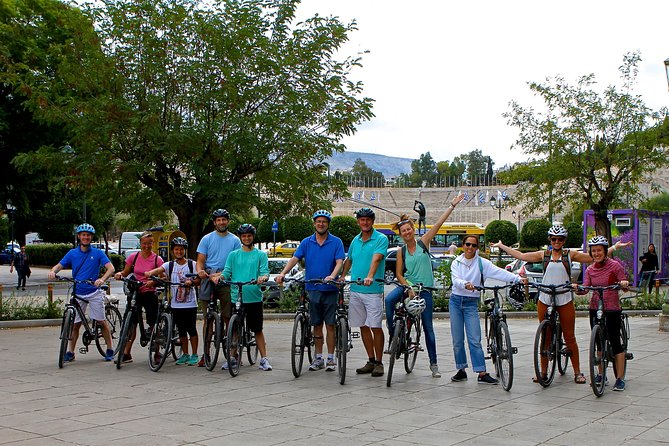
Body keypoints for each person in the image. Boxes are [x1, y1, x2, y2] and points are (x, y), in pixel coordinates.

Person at [491, 225, 630, 384]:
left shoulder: (569, 254)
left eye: (560, 239)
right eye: (554, 239)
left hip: (564, 298)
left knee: (570, 336)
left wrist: (613, 247)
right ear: (549, 240)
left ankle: (578, 372)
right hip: (545, 297)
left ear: (564, 240)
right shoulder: (543, 255)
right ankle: (543, 372)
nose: (557, 242)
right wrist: (501, 246)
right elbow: (521, 255)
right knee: (545, 337)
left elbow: (593, 256)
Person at [385, 193, 465, 378]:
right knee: (389, 301)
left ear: (413, 229)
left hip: (425, 290)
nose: (406, 232)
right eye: (403, 231)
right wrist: (408, 287)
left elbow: (438, 224)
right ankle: (394, 337)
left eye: (408, 229)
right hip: (408, 287)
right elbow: (398, 273)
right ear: (400, 234)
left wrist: (452, 205)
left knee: (428, 327)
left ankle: (433, 363)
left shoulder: (423, 243)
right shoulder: (400, 251)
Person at [276, 210, 345, 372]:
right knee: (316, 324)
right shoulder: (307, 242)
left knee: (330, 324)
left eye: (324, 221)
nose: (321, 224)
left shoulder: (336, 242)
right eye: (318, 221)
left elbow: (339, 261)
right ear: (314, 223)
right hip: (312, 288)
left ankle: (331, 358)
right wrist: (283, 273)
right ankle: (318, 357)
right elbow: (295, 258)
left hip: (330, 288)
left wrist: (332, 276)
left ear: (328, 224)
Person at [450, 235, 523, 384]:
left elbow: (499, 272)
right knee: (457, 339)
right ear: (463, 246)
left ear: (477, 247)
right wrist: (465, 284)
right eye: (468, 244)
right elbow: (455, 280)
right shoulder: (456, 263)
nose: (470, 248)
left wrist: (517, 279)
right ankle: (461, 369)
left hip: (471, 302)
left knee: (474, 339)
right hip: (456, 301)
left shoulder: (482, 264)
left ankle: (481, 372)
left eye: (474, 245)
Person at [48, 223, 115, 362]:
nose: (86, 237)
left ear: (91, 237)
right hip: (78, 292)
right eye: (83, 235)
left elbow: (111, 268)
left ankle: (109, 348)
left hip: (93, 291)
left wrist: (102, 279)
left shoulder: (97, 253)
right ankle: (70, 352)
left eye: (88, 235)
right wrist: (53, 272)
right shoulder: (72, 253)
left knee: (101, 321)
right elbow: (60, 265)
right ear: (79, 236)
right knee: (75, 324)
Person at [212, 224, 272, 371]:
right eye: (244, 236)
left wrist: (263, 277)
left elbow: (264, 271)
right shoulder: (233, 255)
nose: (246, 238)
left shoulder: (260, 255)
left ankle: (264, 359)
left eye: (249, 235)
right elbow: (227, 271)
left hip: (254, 296)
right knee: (234, 329)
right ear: (240, 238)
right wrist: (221, 277)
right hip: (236, 296)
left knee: (257, 329)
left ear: (253, 237)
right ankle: (232, 357)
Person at [574, 236, 629, 391]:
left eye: (599, 250)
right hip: (595, 308)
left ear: (605, 251)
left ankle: (619, 378)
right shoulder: (590, 269)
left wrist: (623, 283)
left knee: (614, 341)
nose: (597, 253)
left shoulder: (615, 266)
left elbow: (623, 283)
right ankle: (601, 374)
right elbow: (585, 288)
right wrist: (577, 288)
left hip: (611, 308)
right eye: (594, 251)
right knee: (598, 340)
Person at [340, 207, 388, 377]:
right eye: (362, 219)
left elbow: (377, 259)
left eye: (368, 219)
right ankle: (371, 360)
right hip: (356, 289)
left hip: (373, 289)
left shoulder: (381, 239)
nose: (365, 222)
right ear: (358, 222)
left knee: (375, 326)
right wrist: (342, 276)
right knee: (363, 326)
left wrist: (370, 276)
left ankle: (380, 363)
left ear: (372, 221)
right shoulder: (355, 240)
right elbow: (349, 260)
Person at [144, 237, 201, 366]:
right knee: (181, 330)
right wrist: (150, 273)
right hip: (175, 304)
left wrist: (191, 282)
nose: (179, 252)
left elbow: (199, 280)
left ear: (185, 250)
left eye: (181, 249)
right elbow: (160, 270)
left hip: (190, 303)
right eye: (176, 249)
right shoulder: (169, 265)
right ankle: (185, 354)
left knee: (191, 329)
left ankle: (195, 354)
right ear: (173, 251)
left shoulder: (192, 264)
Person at [195, 208, 241, 366]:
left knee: (229, 316)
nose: (221, 222)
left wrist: (222, 274)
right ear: (214, 222)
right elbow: (200, 259)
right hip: (208, 277)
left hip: (226, 278)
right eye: (218, 220)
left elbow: (236, 261)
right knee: (207, 318)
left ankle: (233, 352)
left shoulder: (235, 240)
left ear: (228, 221)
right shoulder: (206, 239)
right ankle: (206, 353)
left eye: (224, 219)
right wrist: (200, 271)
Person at [114, 231, 164, 363]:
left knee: (153, 322)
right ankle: (126, 352)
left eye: (149, 243)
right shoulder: (134, 257)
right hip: (136, 290)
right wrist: (120, 275)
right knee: (131, 322)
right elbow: (125, 272)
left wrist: (153, 281)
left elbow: (163, 277)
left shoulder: (157, 259)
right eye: (144, 243)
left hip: (149, 291)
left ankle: (157, 352)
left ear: (153, 244)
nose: (146, 246)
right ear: (140, 244)